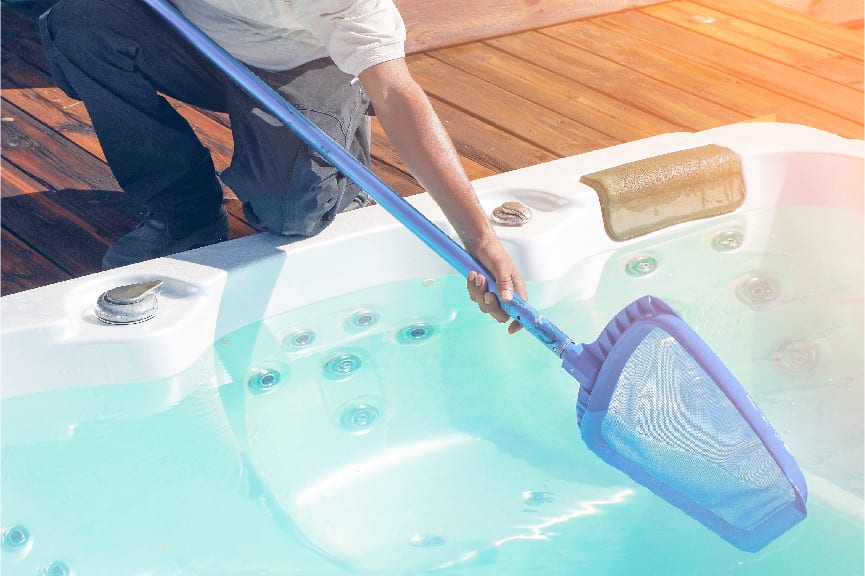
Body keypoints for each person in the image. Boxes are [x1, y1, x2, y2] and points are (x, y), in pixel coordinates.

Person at [39, 0, 526, 332]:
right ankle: (184, 210)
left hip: (302, 63)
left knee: (292, 213)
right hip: (196, 38)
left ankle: (339, 141)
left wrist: (480, 237)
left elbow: (399, 96)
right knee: (79, 26)